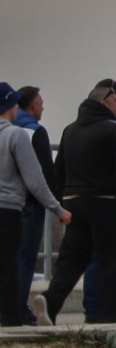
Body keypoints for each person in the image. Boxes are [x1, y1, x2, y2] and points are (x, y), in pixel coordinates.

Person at [41, 79, 116, 324]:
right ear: (105, 102)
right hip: (106, 201)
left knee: (72, 258)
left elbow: (58, 170)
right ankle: (107, 316)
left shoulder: (70, 130)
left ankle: (50, 303)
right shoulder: (112, 129)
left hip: (73, 202)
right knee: (110, 260)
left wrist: (61, 203)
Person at [0, 83, 69, 327]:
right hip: (9, 209)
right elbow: (36, 179)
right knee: (15, 262)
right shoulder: (17, 135)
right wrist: (57, 208)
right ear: (10, 105)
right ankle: (11, 316)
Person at [9, 86, 56, 321]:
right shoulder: (34, 131)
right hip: (28, 204)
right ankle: (17, 309)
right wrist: (55, 203)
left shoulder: (7, 129)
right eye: (42, 103)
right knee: (25, 258)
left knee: (7, 257)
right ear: (33, 106)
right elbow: (43, 172)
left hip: (7, 203)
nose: (44, 107)